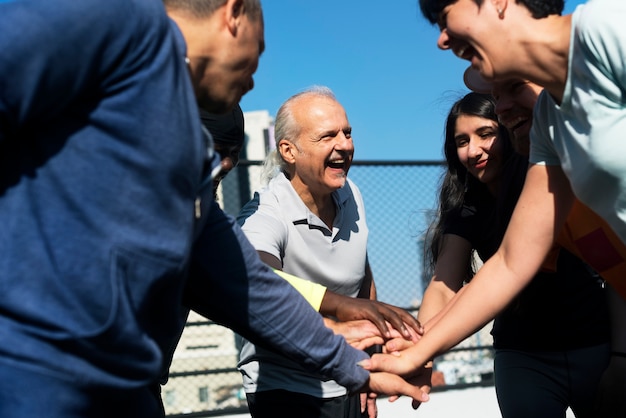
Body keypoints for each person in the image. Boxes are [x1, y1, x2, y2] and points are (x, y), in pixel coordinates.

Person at [0, 1, 428, 416]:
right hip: (33, 382)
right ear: (234, 12)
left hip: (129, 391)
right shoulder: (117, 20)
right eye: (256, 57)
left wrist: (352, 366)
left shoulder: (187, 155)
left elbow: (246, 285)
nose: (254, 81)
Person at [364, 0, 626, 409]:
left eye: (444, 14)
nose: (441, 38)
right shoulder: (549, 125)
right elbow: (510, 262)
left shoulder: (607, 29)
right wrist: (416, 351)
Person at [418, 92, 610, 417]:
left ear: (507, 129)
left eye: (485, 134)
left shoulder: (547, 180)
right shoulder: (466, 208)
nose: (473, 150)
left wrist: (619, 355)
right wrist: (421, 352)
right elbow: (442, 284)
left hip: (591, 342)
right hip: (523, 355)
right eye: (461, 141)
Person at [237, 86, 384, 418]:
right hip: (286, 389)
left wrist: (371, 366)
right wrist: (334, 312)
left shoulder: (352, 194)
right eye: (328, 136)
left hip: (349, 375)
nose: (345, 145)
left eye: (347, 133)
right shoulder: (264, 213)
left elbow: (364, 278)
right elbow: (260, 279)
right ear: (289, 151)